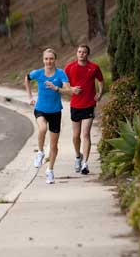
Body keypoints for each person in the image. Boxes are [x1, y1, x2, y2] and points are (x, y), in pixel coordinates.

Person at [24, 48, 79, 184]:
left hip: (55, 111)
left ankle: (50, 170)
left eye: (51, 59)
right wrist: (30, 97)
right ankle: (40, 152)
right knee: (42, 129)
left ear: (55, 59)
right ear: (43, 60)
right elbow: (27, 78)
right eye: (46, 59)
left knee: (54, 145)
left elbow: (68, 90)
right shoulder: (38, 73)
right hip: (40, 109)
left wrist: (57, 88)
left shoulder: (60, 73)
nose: (49, 61)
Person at [64, 44, 104, 175]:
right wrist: (71, 89)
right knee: (76, 136)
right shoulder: (70, 67)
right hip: (75, 105)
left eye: (84, 52)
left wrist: (100, 93)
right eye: (79, 52)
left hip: (89, 104)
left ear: (88, 54)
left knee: (85, 134)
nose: (81, 54)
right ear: (77, 53)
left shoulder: (94, 67)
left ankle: (85, 164)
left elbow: (101, 80)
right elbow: (64, 85)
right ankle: (77, 157)